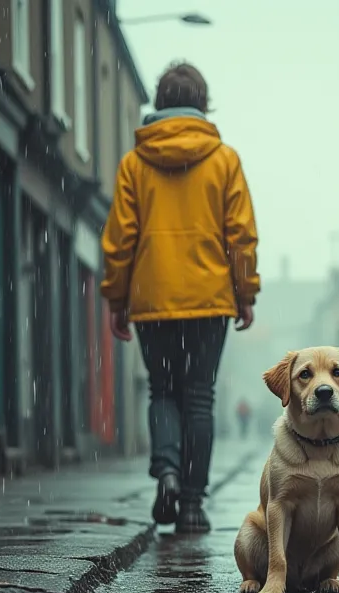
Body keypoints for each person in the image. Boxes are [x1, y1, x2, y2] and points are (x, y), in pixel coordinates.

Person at [100, 62, 260, 534]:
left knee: (162, 392)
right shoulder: (224, 160)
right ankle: (191, 505)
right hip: (210, 300)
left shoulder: (134, 163)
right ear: (204, 103)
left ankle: (166, 471)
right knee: (199, 398)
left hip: (152, 298)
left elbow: (120, 238)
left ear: (159, 102)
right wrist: (244, 291)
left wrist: (116, 297)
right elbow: (241, 235)